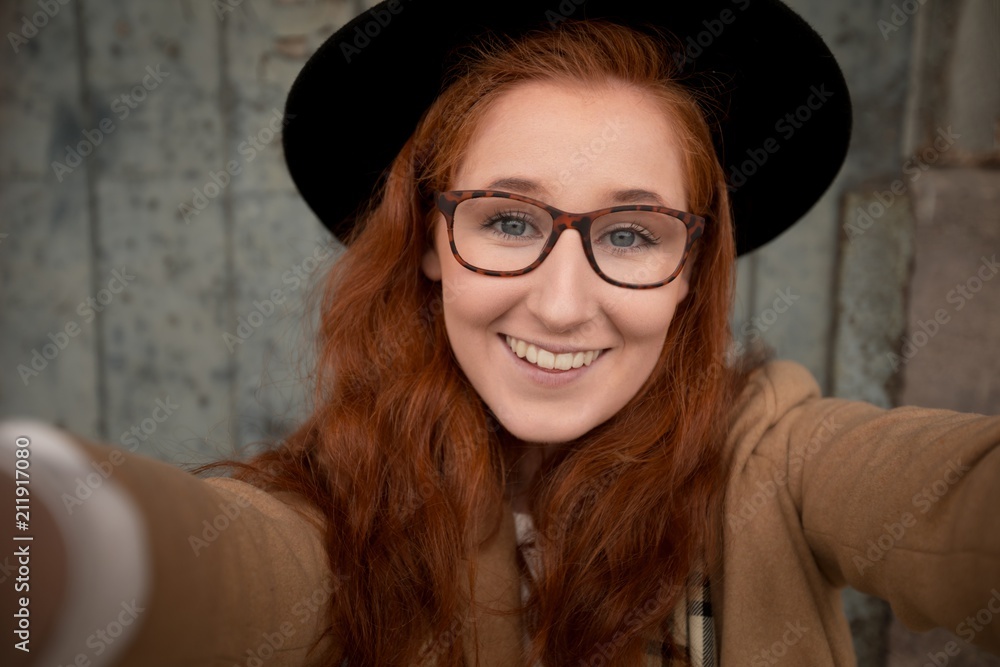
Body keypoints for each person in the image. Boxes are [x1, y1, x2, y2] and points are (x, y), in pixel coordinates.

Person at [2, 1, 999, 666]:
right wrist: (53, 534)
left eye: (631, 233)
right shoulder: (340, 508)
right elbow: (221, 571)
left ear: (691, 272)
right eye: (509, 221)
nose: (562, 304)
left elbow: (952, 507)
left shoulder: (774, 460)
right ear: (430, 241)